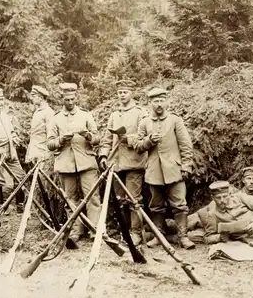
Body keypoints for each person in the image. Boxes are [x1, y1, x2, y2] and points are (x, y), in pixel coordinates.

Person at [135, 87, 195, 249]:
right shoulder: (145, 123)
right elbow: (138, 146)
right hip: (154, 172)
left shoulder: (175, 120)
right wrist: (149, 141)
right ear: (150, 103)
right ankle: (158, 236)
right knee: (156, 205)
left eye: (161, 101)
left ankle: (183, 237)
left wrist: (186, 166)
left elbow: (185, 145)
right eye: (155, 101)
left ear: (166, 102)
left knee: (179, 204)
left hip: (174, 170)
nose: (159, 104)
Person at [47, 82, 101, 243]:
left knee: (92, 197)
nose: (70, 102)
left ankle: (94, 230)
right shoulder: (55, 119)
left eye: (72, 99)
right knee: (69, 199)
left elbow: (98, 138)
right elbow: (49, 144)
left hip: (86, 162)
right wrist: (61, 140)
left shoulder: (85, 115)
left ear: (76, 97)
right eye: (67, 99)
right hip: (65, 164)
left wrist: (88, 136)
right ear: (61, 99)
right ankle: (76, 231)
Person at [99, 80, 148, 245]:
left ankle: (136, 233)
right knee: (119, 199)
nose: (122, 95)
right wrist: (104, 156)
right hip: (116, 163)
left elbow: (145, 137)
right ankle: (124, 231)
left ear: (131, 93)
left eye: (125, 92)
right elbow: (106, 139)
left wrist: (128, 138)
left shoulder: (141, 113)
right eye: (120, 92)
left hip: (134, 162)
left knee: (134, 199)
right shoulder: (114, 115)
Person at [203, 180, 253, 244]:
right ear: (212, 198)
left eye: (225, 196)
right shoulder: (212, 214)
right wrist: (219, 237)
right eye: (218, 197)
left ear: (229, 194)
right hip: (248, 237)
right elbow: (207, 238)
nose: (222, 200)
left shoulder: (240, 197)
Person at [25, 85, 55, 166]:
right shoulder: (37, 112)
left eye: (34, 96)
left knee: (44, 177)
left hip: (43, 154)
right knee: (36, 177)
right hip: (35, 152)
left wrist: (48, 153)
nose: (32, 98)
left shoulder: (48, 112)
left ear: (41, 97)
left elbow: (51, 135)